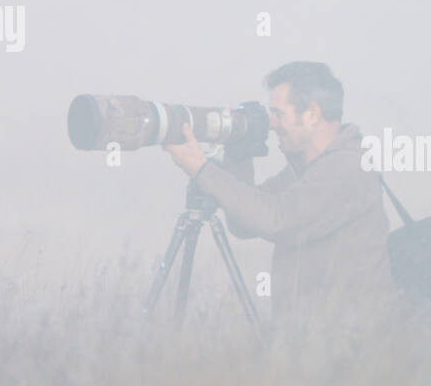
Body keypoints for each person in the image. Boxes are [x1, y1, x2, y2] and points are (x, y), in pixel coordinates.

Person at [163, 61, 394, 334]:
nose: (271, 124)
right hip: (312, 342)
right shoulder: (305, 170)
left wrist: (201, 168)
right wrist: (239, 153)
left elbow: (276, 219)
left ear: (312, 114)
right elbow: (245, 224)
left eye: (278, 114)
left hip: (350, 347)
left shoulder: (347, 168)